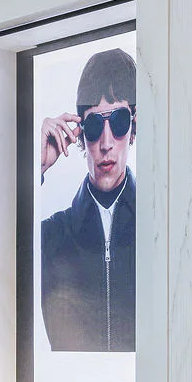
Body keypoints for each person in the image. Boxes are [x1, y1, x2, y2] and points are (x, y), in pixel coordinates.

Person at [40, 47, 136, 351]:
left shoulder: (162, 232)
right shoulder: (50, 238)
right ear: (79, 133)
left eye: (119, 122)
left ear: (133, 128)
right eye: (94, 126)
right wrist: (34, 169)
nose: (106, 143)